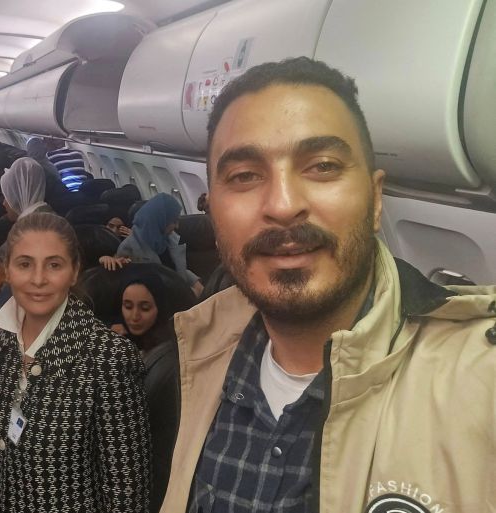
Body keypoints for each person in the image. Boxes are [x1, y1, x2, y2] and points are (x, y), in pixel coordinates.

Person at [160, 57, 496, 512]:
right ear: (211, 208)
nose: (283, 205)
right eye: (244, 176)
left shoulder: (480, 377)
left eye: (322, 166)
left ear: (375, 200)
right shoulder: (195, 354)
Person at [0, 212, 151, 513]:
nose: (38, 279)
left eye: (54, 265)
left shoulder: (109, 357)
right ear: (7, 271)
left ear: (74, 271)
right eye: (25, 264)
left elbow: (126, 492)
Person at [100, 193, 203, 296]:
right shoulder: (129, 247)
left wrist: (195, 282)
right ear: (161, 220)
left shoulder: (170, 239)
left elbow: (178, 270)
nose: (177, 226)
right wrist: (185, 294)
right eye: (174, 221)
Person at [112, 273, 173, 355]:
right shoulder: (113, 334)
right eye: (128, 306)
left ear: (160, 308)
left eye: (145, 308)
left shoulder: (170, 348)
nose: (135, 316)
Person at [0, 156, 53, 221]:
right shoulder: (51, 217)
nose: (4, 203)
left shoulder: (28, 225)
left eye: (6, 197)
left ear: (19, 197)